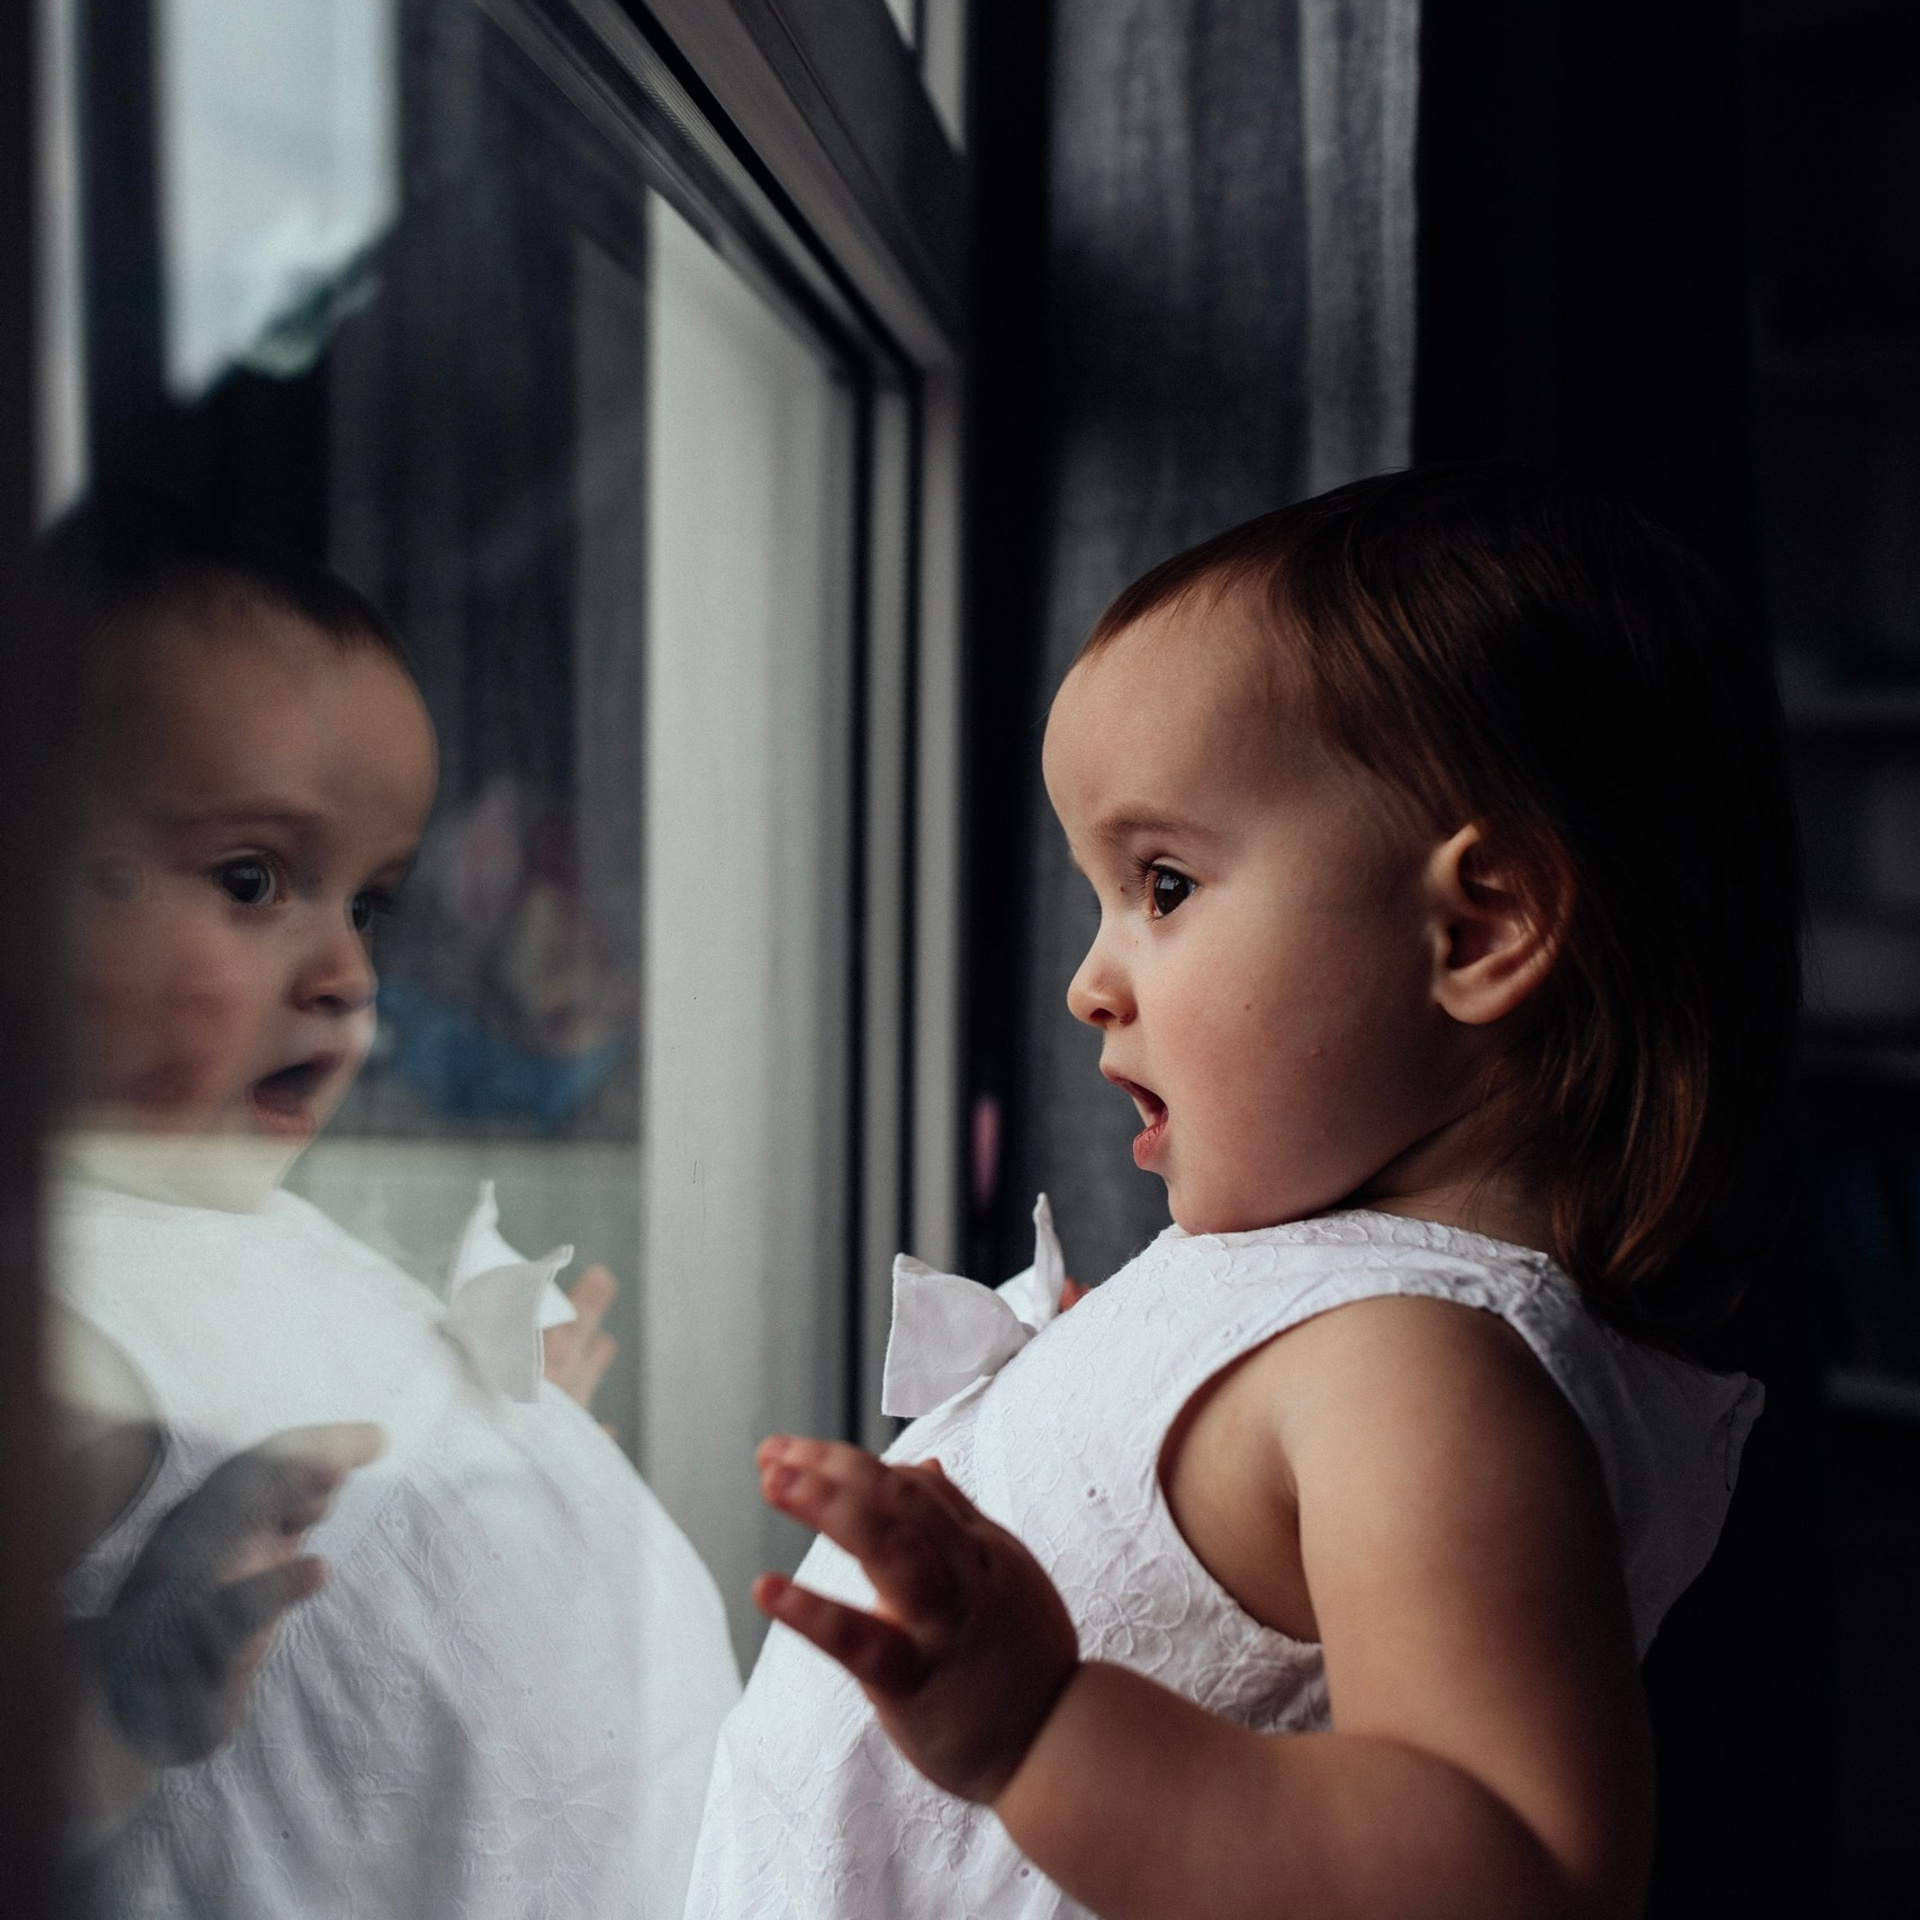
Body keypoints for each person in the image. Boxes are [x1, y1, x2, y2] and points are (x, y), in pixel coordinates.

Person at [686, 463, 1800, 1920]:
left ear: (1480, 928)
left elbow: (1517, 1873)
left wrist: (1042, 1729)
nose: (1090, 982)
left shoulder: (1422, 1375)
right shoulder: (1348, 1316)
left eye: (1161, 884)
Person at [48, 499, 740, 1919]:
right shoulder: (59, 1296)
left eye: (370, 905)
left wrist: (494, 1424)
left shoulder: (221, 1224)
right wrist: (116, 1699)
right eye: (253, 880)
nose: (346, 976)